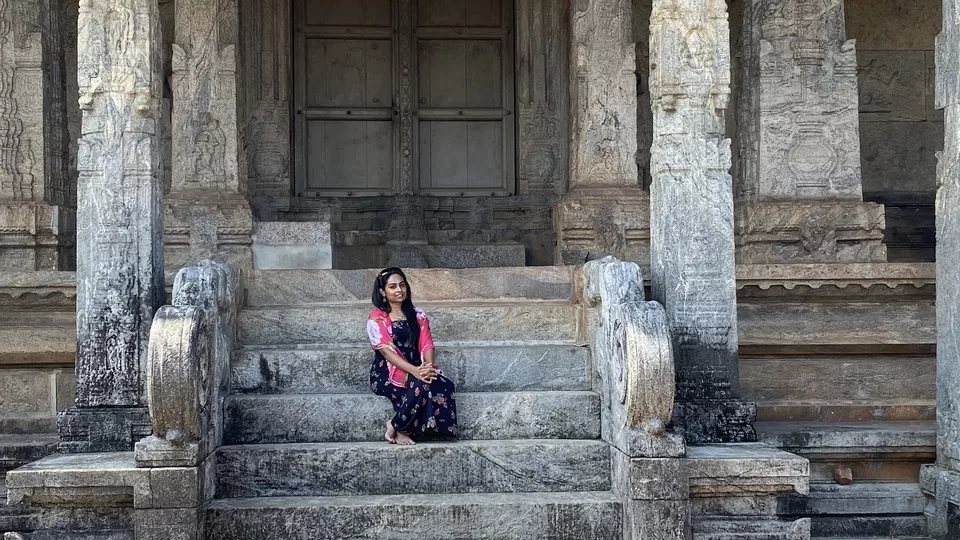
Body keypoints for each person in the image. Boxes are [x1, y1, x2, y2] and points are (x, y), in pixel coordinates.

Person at [367, 267, 459, 445]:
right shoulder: (376, 318)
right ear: (382, 291)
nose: (399, 290)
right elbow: (386, 351)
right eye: (392, 286)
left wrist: (428, 368)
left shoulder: (417, 314)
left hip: (418, 367)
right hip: (387, 372)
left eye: (402, 285)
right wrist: (415, 372)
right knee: (419, 384)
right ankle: (401, 429)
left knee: (444, 384)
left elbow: (427, 344)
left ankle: (394, 424)